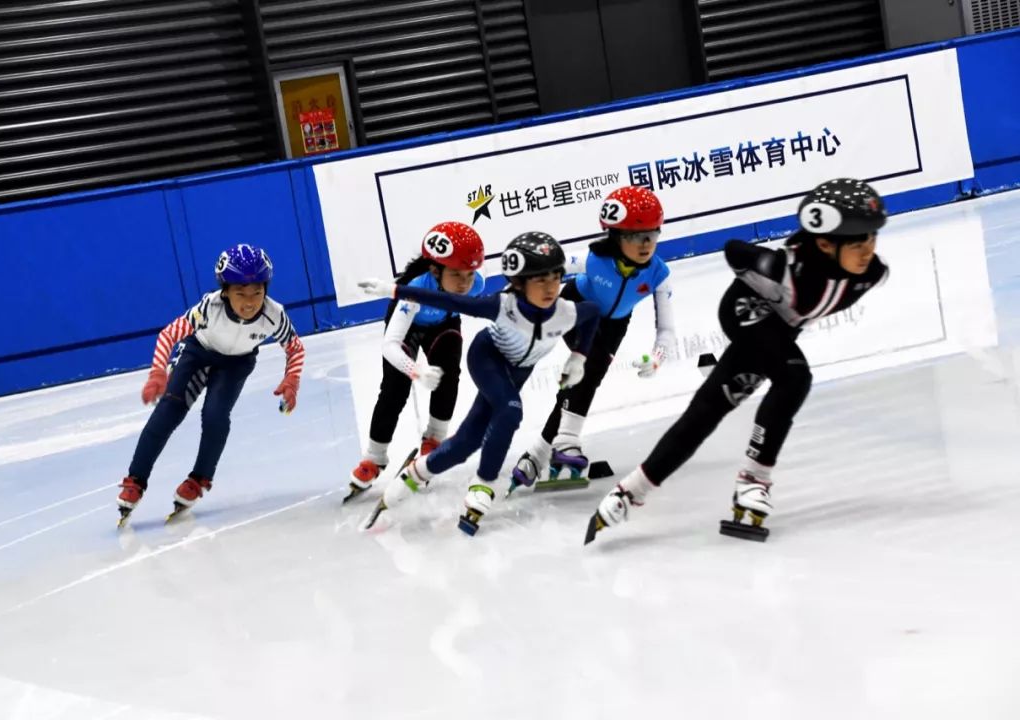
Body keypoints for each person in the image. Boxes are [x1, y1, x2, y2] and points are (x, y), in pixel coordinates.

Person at [585, 178, 890, 544]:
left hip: (779, 331)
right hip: (743, 311)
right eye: (858, 242)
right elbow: (734, 250)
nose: (868, 251)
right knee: (795, 378)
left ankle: (627, 493)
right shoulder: (786, 267)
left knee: (707, 410)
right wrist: (763, 261)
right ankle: (753, 483)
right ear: (824, 243)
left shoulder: (871, 274)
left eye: (872, 238)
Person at [357, 232, 601, 535]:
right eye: (540, 281)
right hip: (487, 358)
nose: (550, 288)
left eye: (555, 279)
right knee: (511, 411)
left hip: (517, 372)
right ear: (520, 283)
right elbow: (447, 299)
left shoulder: (567, 313)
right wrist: (393, 290)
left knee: (464, 444)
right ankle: (484, 485)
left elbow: (594, 314)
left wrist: (578, 357)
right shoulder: (502, 306)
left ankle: (413, 475)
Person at [116, 244, 305, 526]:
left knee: (215, 416)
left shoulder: (273, 314)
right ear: (225, 291)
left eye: (257, 292)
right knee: (168, 412)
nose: (250, 301)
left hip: (236, 364)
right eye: (240, 293)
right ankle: (136, 480)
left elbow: (295, 349)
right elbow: (169, 335)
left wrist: (292, 378)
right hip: (198, 355)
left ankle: (200, 477)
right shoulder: (209, 308)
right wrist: (158, 372)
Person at [511, 185, 675, 491]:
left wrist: (657, 358)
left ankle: (536, 455)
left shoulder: (658, 274)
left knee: (583, 378)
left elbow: (666, 329)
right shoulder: (592, 260)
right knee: (590, 365)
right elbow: (541, 269)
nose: (645, 244)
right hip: (577, 310)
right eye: (634, 236)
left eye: (652, 235)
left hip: (614, 325)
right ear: (614, 237)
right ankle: (567, 441)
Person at [344, 222, 485, 502]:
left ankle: (434, 439)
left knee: (448, 375)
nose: (464, 283)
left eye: (470, 275)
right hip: (406, 329)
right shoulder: (414, 289)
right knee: (394, 391)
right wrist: (415, 370)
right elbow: (390, 346)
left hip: (443, 324)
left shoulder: (475, 285)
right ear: (435, 269)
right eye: (456, 274)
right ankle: (375, 457)